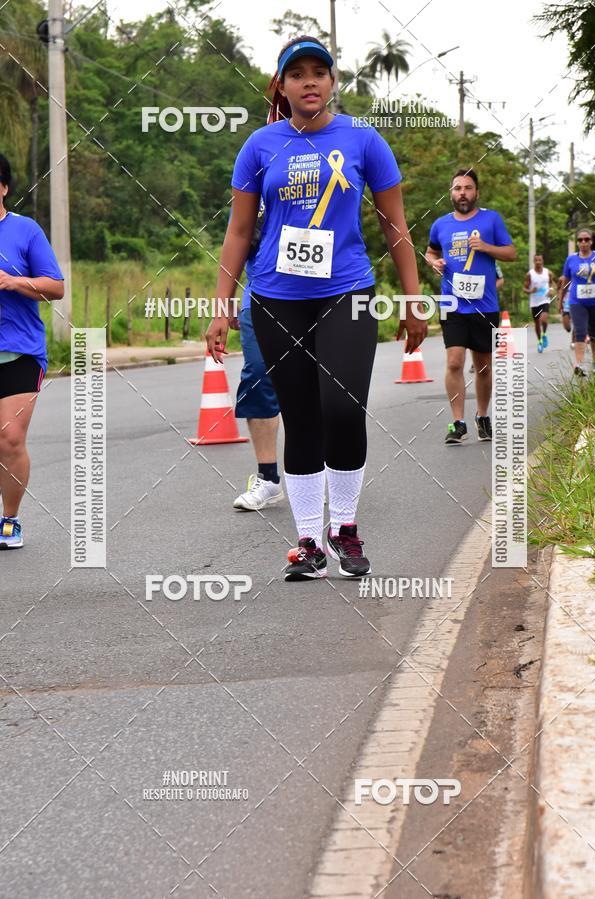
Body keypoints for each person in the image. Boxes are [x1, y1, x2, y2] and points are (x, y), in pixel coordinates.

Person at [206, 36, 426, 580]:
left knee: (344, 409)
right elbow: (238, 232)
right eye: (297, 73)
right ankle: (308, 541)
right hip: (278, 298)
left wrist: (413, 297)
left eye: (319, 73)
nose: (309, 81)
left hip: (347, 293)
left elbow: (394, 225)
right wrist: (221, 306)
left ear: (332, 82)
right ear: (280, 85)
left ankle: (344, 527)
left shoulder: (363, 139)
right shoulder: (260, 145)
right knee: (301, 419)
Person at [0, 153, 64, 548]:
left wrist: (13, 282)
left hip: (19, 352)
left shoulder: (25, 231)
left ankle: (10, 519)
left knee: (7, 438)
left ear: (4, 187)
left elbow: (55, 287)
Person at [425, 169, 516, 445]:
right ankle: (457, 422)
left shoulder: (491, 219)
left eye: (467, 188)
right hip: (452, 304)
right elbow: (430, 251)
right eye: (457, 188)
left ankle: (482, 416)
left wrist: (486, 246)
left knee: (484, 367)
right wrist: (434, 262)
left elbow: (511, 253)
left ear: (476, 192)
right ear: (450, 193)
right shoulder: (440, 224)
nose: (462, 193)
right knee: (454, 362)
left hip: (484, 305)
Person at [232, 244, 285, 511]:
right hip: (260, 294)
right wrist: (224, 300)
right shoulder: (250, 200)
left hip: (318, 292)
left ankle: (316, 471)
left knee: (315, 382)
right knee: (257, 376)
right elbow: (237, 239)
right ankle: (268, 477)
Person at [558, 228, 595, 376]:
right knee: (580, 332)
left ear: (591, 242)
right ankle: (579, 364)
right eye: (580, 240)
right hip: (577, 301)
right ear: (577, 243)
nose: (583, 242)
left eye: (587, 239)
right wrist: (561, 300)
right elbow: (565, 281)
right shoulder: (571, 259)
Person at [524, 253, 554, 352]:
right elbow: (525, 288)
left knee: (543, 319)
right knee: (537, 323)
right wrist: (530, 291)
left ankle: (544, 334)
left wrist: (550, 289)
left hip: (545, 300)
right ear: (533, 261)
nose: (538, 262)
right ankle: (540, 341)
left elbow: (551, 282)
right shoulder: (530, 274)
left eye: (539, 260)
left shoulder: (547, 272)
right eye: (536, 260)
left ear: (542, 261)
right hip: (534, 302)